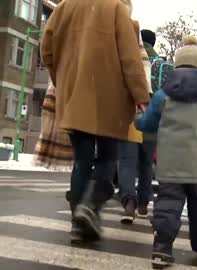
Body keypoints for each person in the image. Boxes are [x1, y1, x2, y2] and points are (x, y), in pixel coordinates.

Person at [41, 0, 150, 243]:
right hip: (108, 99)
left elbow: (46, 51)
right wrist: (141, 96)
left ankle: (77, 224)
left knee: (82, 159)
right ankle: (89, 207)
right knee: (108, 159)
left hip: (74, 97)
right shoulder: (116, 9)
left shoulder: (64, 7)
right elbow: (130, 60)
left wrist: (63, 80)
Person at [135, 35, 197, 265]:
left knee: (168, 205)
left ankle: (162, 246)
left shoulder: (162, 96)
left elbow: (148, 124)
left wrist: (137, 117)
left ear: (178, 64)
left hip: (169, 165)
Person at [116, 0, 156, 224]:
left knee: (127, 161)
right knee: (146, 163)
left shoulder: (129, 53)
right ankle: (143, 202)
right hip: (152, 118)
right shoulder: (162, 64)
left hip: (131, 113)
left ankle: (128, 203)